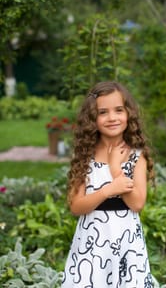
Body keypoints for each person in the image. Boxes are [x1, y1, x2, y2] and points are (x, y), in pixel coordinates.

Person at [62, 81, 156, 288]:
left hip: (126, 242)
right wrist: (108, 191)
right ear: (92, 119)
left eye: (119, 110)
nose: (112, 117)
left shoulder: (136, 156)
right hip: (92, 243)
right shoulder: (85, 156)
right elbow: (76, 206)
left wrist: (115, 169)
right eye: (103, 112)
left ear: (128, 114)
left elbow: (137, 204)